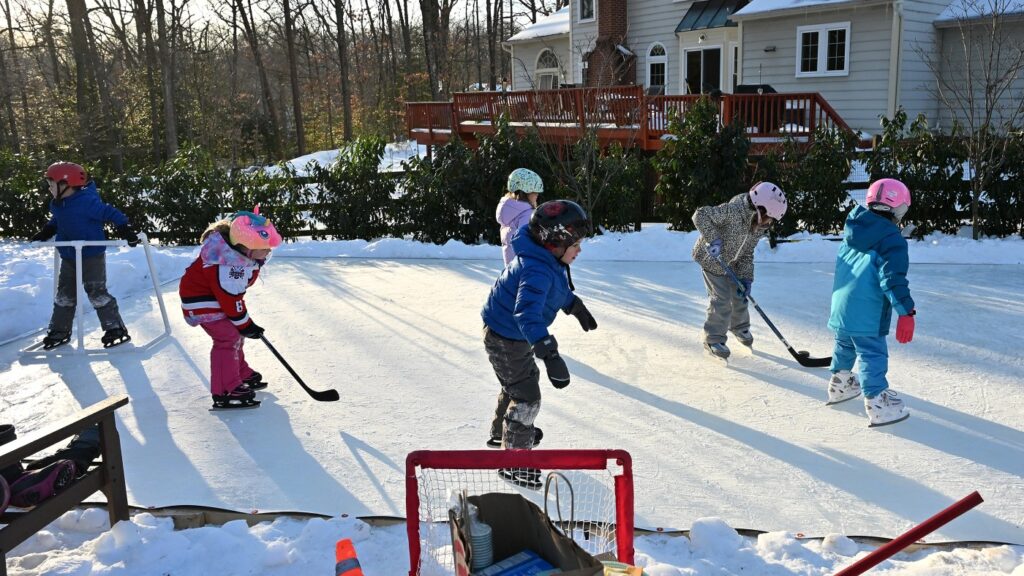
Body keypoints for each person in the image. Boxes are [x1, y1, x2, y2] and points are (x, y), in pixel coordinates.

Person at [480, 200, 598, 489]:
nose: (579, 250)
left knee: (520, 383)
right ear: (557, 242)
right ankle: (515, 463)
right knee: (527, 396)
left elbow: (555, 290)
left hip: (509, 333)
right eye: (576, 244)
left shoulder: (547, 261)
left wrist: (574, 305)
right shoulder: (537, 269)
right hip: (507, 336)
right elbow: (527, 314)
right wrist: (550, 353)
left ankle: (503, 434)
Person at [827, 178, 914, 427]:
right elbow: (892, 279)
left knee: (845, 344)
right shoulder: (891, 239)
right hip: (867, 309)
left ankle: (840, 384)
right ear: (897, 209)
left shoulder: (854, 229)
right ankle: (877, 402)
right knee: (871, 352)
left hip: (842, 306)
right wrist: (906, 311)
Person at [178, 207, 282, 409]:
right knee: (227, 338)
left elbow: (232, 299)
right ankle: (225, 388)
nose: (269, 251)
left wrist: (243, 325)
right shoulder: (229, 266)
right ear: (247, 246)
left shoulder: (239, 257)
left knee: (236, 333)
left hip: (212, 298)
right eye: (265, 247)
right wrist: (246, 324)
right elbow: (230, 298)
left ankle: (239, 372)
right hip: (201, 302)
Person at [30, 162, 140, 350]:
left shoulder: (87, 202)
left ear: (66, 184)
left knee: (96, 291)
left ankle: (114, 328)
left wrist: (125, 229)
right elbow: (58, 219)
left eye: (51, 183)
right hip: (68, 255)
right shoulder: (57, 203)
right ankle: (60, 330)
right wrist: (47, 230)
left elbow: (109, 212)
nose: (49, 188)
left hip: (91, 255)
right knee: (64, 294)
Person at [692, 182, 787, 360]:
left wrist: (746, 278)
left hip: (733, 262)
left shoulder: (758, 227)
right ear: (759, 208)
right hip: (712, 259)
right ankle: (713, 339)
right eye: (769, 218)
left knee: (740, 295)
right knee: (721, 299)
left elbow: (747, 252)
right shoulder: (732, 211)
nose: (769, 223)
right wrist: (714, 240)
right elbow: (700, 215)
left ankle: (739, 326)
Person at [496, 168, 543, 266]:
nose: (537, 194)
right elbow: (529, 242)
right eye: (535, 191)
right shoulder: (527, 214)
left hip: (512, 267)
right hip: (527, 267)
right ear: (525, 192)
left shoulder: (509, 210)